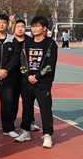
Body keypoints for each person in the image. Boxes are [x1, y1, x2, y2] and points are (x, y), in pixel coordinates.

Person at [14, 16, 58, 148]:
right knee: (27, 108)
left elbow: (50, 65)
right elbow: (22, 61)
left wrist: (37, 76)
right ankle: (25, 131)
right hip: (27, 82)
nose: (34, 29)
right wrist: (28, 75)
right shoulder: (26, 43)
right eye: (33, 26)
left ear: (44, 28)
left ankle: (47, 135)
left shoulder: (50, 44)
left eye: (37, 26)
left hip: (43, 83)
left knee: (45, 109)